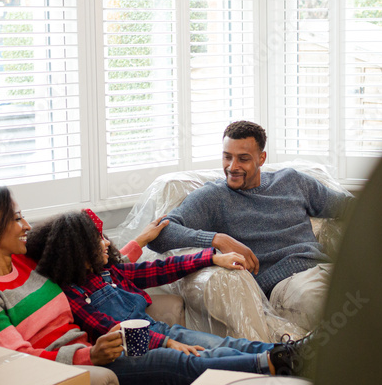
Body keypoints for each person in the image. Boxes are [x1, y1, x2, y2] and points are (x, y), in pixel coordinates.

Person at [0, 186, 310, 385]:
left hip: (106, 348)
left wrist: (141, 241)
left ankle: (294, 353)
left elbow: (96, 258)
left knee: (216, 345)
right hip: (77, 370)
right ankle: (276, 364)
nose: (26, 225)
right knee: (176, 361)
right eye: (16, 218)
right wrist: (90, 353)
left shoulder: (28, 261)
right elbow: (20, 361)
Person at [148, 120, 354, 331]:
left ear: (261, 158)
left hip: (324, 268)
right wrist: (217, 239)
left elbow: (348, 207)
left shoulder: (292, 181)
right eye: (227, 156)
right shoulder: (214, 197)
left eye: (243, 159)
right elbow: (159, 235)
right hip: (287, 285)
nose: (232, 167)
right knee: (335, 307)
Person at [25, 208, 303, 361]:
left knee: (226, 343)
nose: (107, 242)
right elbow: (109, 331)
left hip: (162, 332)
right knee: (215, 354)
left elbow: (161, 269)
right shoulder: (74, 296)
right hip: (145, 347)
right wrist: (167, 342)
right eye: (97, 240)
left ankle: (290, 354)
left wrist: (212, 257)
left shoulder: (110, 272)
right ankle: (279, 363)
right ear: (77, 252)